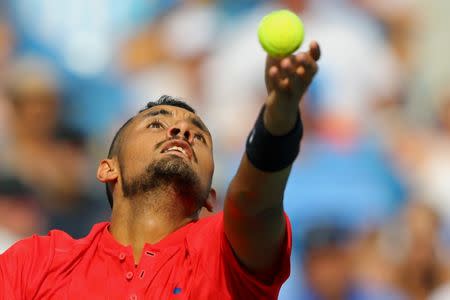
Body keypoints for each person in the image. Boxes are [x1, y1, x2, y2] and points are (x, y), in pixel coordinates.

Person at [0, 40, 321, 299]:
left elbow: (254, 200)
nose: (181, 132)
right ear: (108, 169)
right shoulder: (36, 262)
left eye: (198, 136)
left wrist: (278, 116)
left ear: (211, 196)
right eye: (157, 123)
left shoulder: (225, 254)